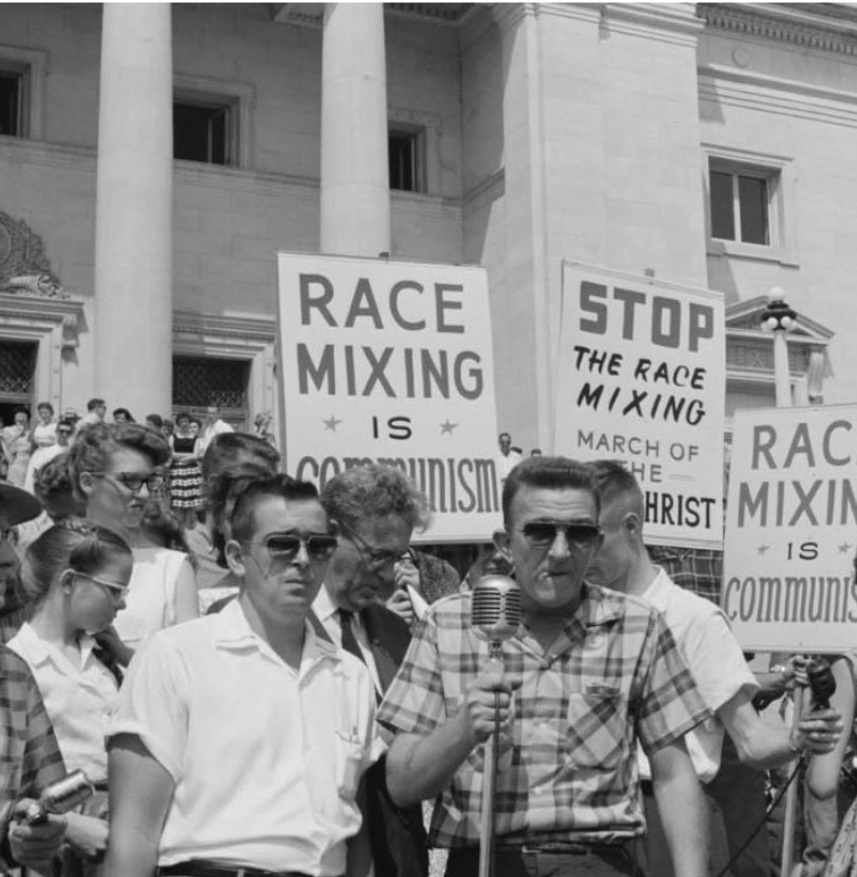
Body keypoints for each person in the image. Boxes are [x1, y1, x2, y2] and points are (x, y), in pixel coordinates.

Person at [379, 455, 713, 877]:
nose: (559, 551)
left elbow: (674, 774)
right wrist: (462, 730)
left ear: (595, 541)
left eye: (579, 533)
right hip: (483, 862)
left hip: (598, 863)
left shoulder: (637, 625)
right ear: (504, 543)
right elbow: (402, 784)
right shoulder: (448, 624)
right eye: (539, 532)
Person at [103, 474, 376, 877]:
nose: (303, 559)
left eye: (319, 546)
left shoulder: (350, 675)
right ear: (234, 557)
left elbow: (357, 833)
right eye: (282, 544)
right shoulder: (175, 656)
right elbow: (133, 834)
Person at [584, 460, 843, 877]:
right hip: (586, 825)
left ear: (631, 527)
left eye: (592, 536)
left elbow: (750, 739)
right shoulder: (576, 615)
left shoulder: (693, 619)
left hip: (664, 822)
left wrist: (797, 738)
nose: (578, 551)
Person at [316, 463, 431, 876]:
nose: (386, 574)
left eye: (397, 558)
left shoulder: (397, 632)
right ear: (331, 534)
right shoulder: (274, 630)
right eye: (377, 555)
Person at [8, 519, 135, 871]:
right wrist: (69, 827)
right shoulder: (20, 662)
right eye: (114, 590)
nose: (122, 604)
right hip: (54, 840)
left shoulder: (102, 656)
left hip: (117, 825)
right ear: (68, 582)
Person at [68, 422, 198, 655]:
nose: (145, 494)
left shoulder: (172, 569)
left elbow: (190, 665)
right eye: (129, 481)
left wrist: (125, 655)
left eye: (150, 481)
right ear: (87, 483)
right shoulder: (54, 560)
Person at [0, 478, 68, 872]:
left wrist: (31, 833)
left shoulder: (11, 673)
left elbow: (48, 799)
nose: (9, 556)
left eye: (7, 534)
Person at [185, 432, 280, 607]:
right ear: (215, 486)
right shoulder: (183, 556)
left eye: (272, 486)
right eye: (253, 484)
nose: (267, 497)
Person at [168, 412, 203, 529]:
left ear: (189, 423)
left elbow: (196, 455)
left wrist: (180, 457)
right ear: (178, 423)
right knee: (177, 504)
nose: (184, 424)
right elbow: (171, 454)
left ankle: (189, 531)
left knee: (190, 505)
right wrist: (187, 455)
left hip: (191, 472)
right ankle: (177, 531)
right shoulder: (173, 437)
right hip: (177, 472)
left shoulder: (196, 439)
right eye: (181, 421)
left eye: (186, 421)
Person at [23, 401, 57, 493]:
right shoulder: (39, 426)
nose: (43, 415)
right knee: (32, 476)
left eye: (45, 413)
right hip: (38, 454)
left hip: (50, 454)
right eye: (41, 413)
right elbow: (31, 440)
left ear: (51, 413)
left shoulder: (55, 426)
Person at [2, 408, 31, 487]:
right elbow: (4, 445)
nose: (20, 422)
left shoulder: (31, 433)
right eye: (18, 420)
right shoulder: (7, 430)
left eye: (23, 420)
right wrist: (17, 435)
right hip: (13, 464)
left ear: (27, 420)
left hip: (27, 464)